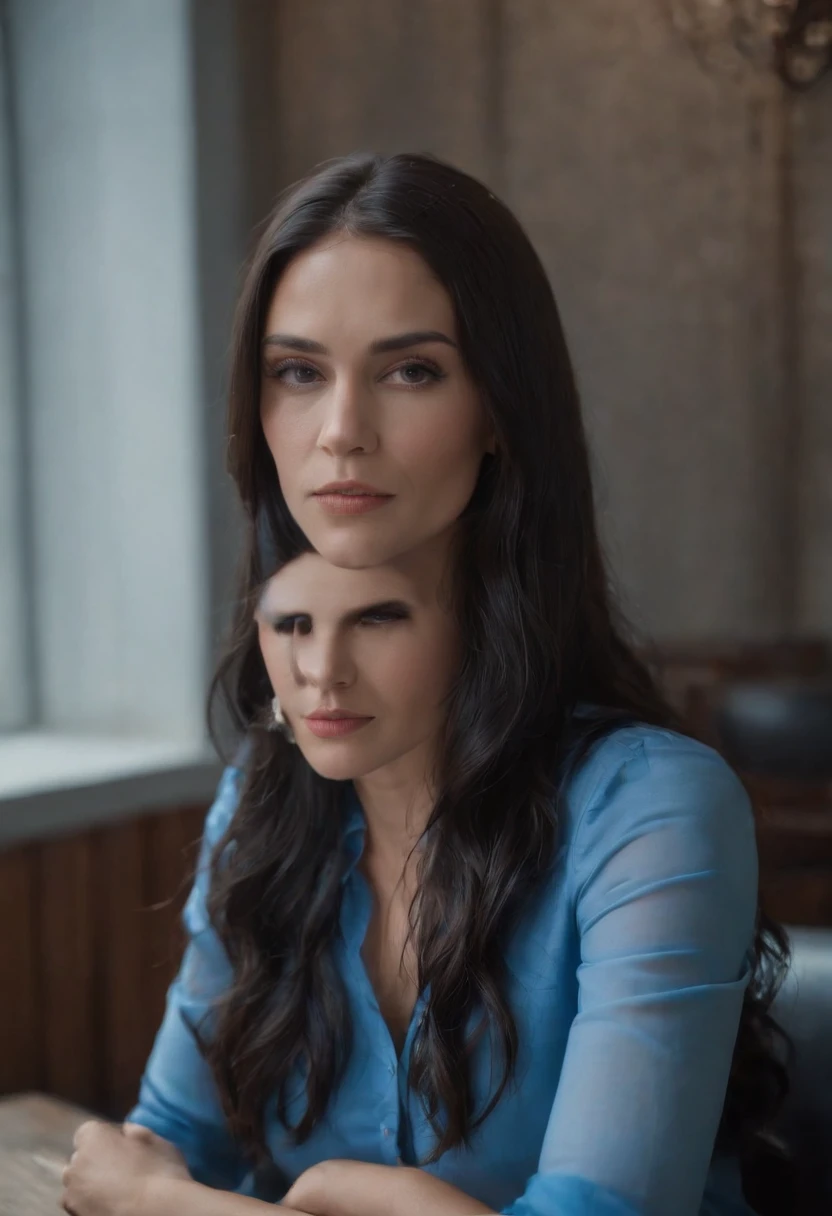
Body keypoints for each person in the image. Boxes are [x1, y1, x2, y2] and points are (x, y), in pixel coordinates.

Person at [62, 153, 788, 1216]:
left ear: (500, 409)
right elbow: (159, 1145)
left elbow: (158, 1192)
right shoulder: (264, 798)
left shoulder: (651, 811)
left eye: (410, 370)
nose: (339, 428)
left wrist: (180, 1207)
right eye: (297, 371)